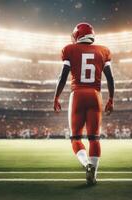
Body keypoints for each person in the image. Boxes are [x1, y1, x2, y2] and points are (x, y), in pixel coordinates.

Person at [53, 22, 114, 185]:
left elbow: (63, 76)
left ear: (77, 35)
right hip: (95, 95)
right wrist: (111, 99)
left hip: (78, 95)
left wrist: (56, 97)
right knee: (94, 139)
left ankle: (86, 164)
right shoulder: (104, 51)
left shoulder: (69, 49)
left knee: (75, 138)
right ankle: (93, 176)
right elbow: (110, 78)